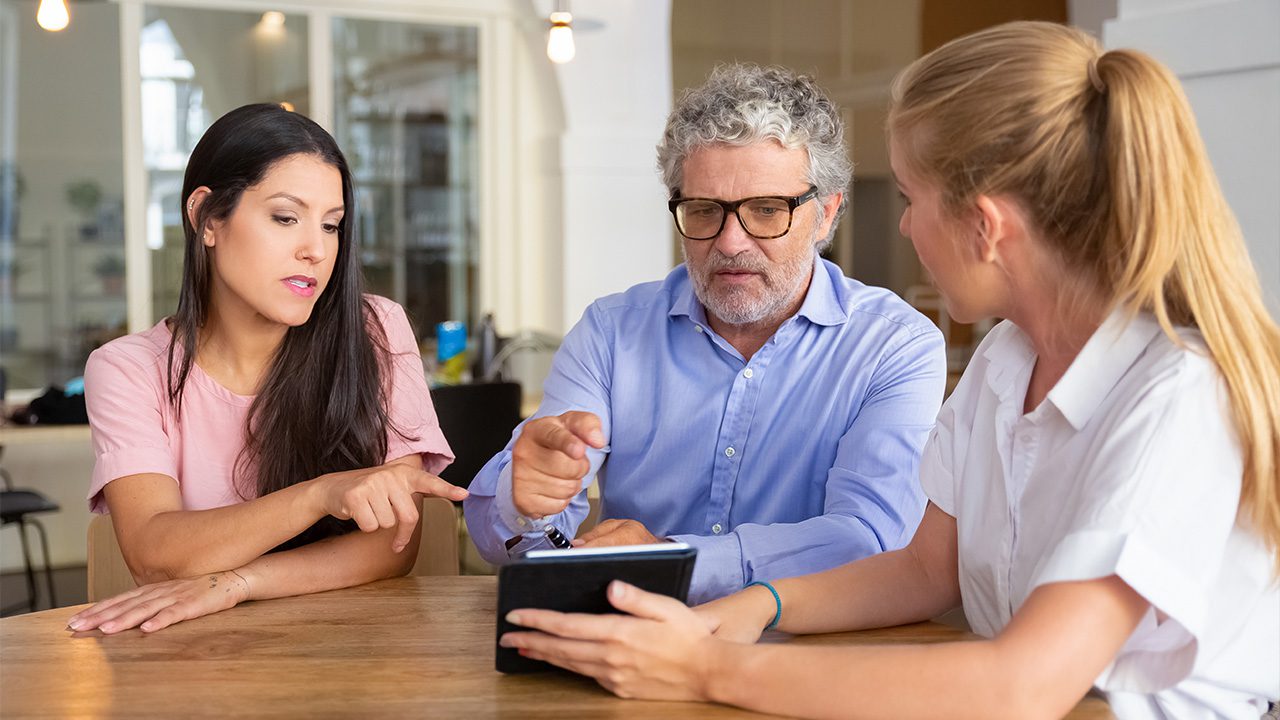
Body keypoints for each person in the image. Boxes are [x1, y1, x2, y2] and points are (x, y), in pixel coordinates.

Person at [498, 21, 1280, 719]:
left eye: (910, 198)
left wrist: (706, 668)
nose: (903, 227)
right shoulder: (1006, 363)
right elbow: (923, 570)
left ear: (986, 226)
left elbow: (1021, 687)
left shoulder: (1178, 396)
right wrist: (750, 606)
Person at [464, 64, 946, 603]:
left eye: (767, 210)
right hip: (630, 647)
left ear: (826, 215)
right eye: (704, 211)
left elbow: (872, 541)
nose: (732, 242)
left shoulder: (894, 346)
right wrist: (525, 503)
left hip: (808, 655)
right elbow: (505, 543)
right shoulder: (611, 332)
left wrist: (670, 558)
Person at [68, 103, 464, 635]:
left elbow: (392, 546)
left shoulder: (375, 330)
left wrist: (238, 582)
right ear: (207, 218)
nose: (316, 250)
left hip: (362, 650)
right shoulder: (126, 369)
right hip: (201, 664)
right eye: (285, 218)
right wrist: (320, 494)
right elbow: (156, 554)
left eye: (331, 225)